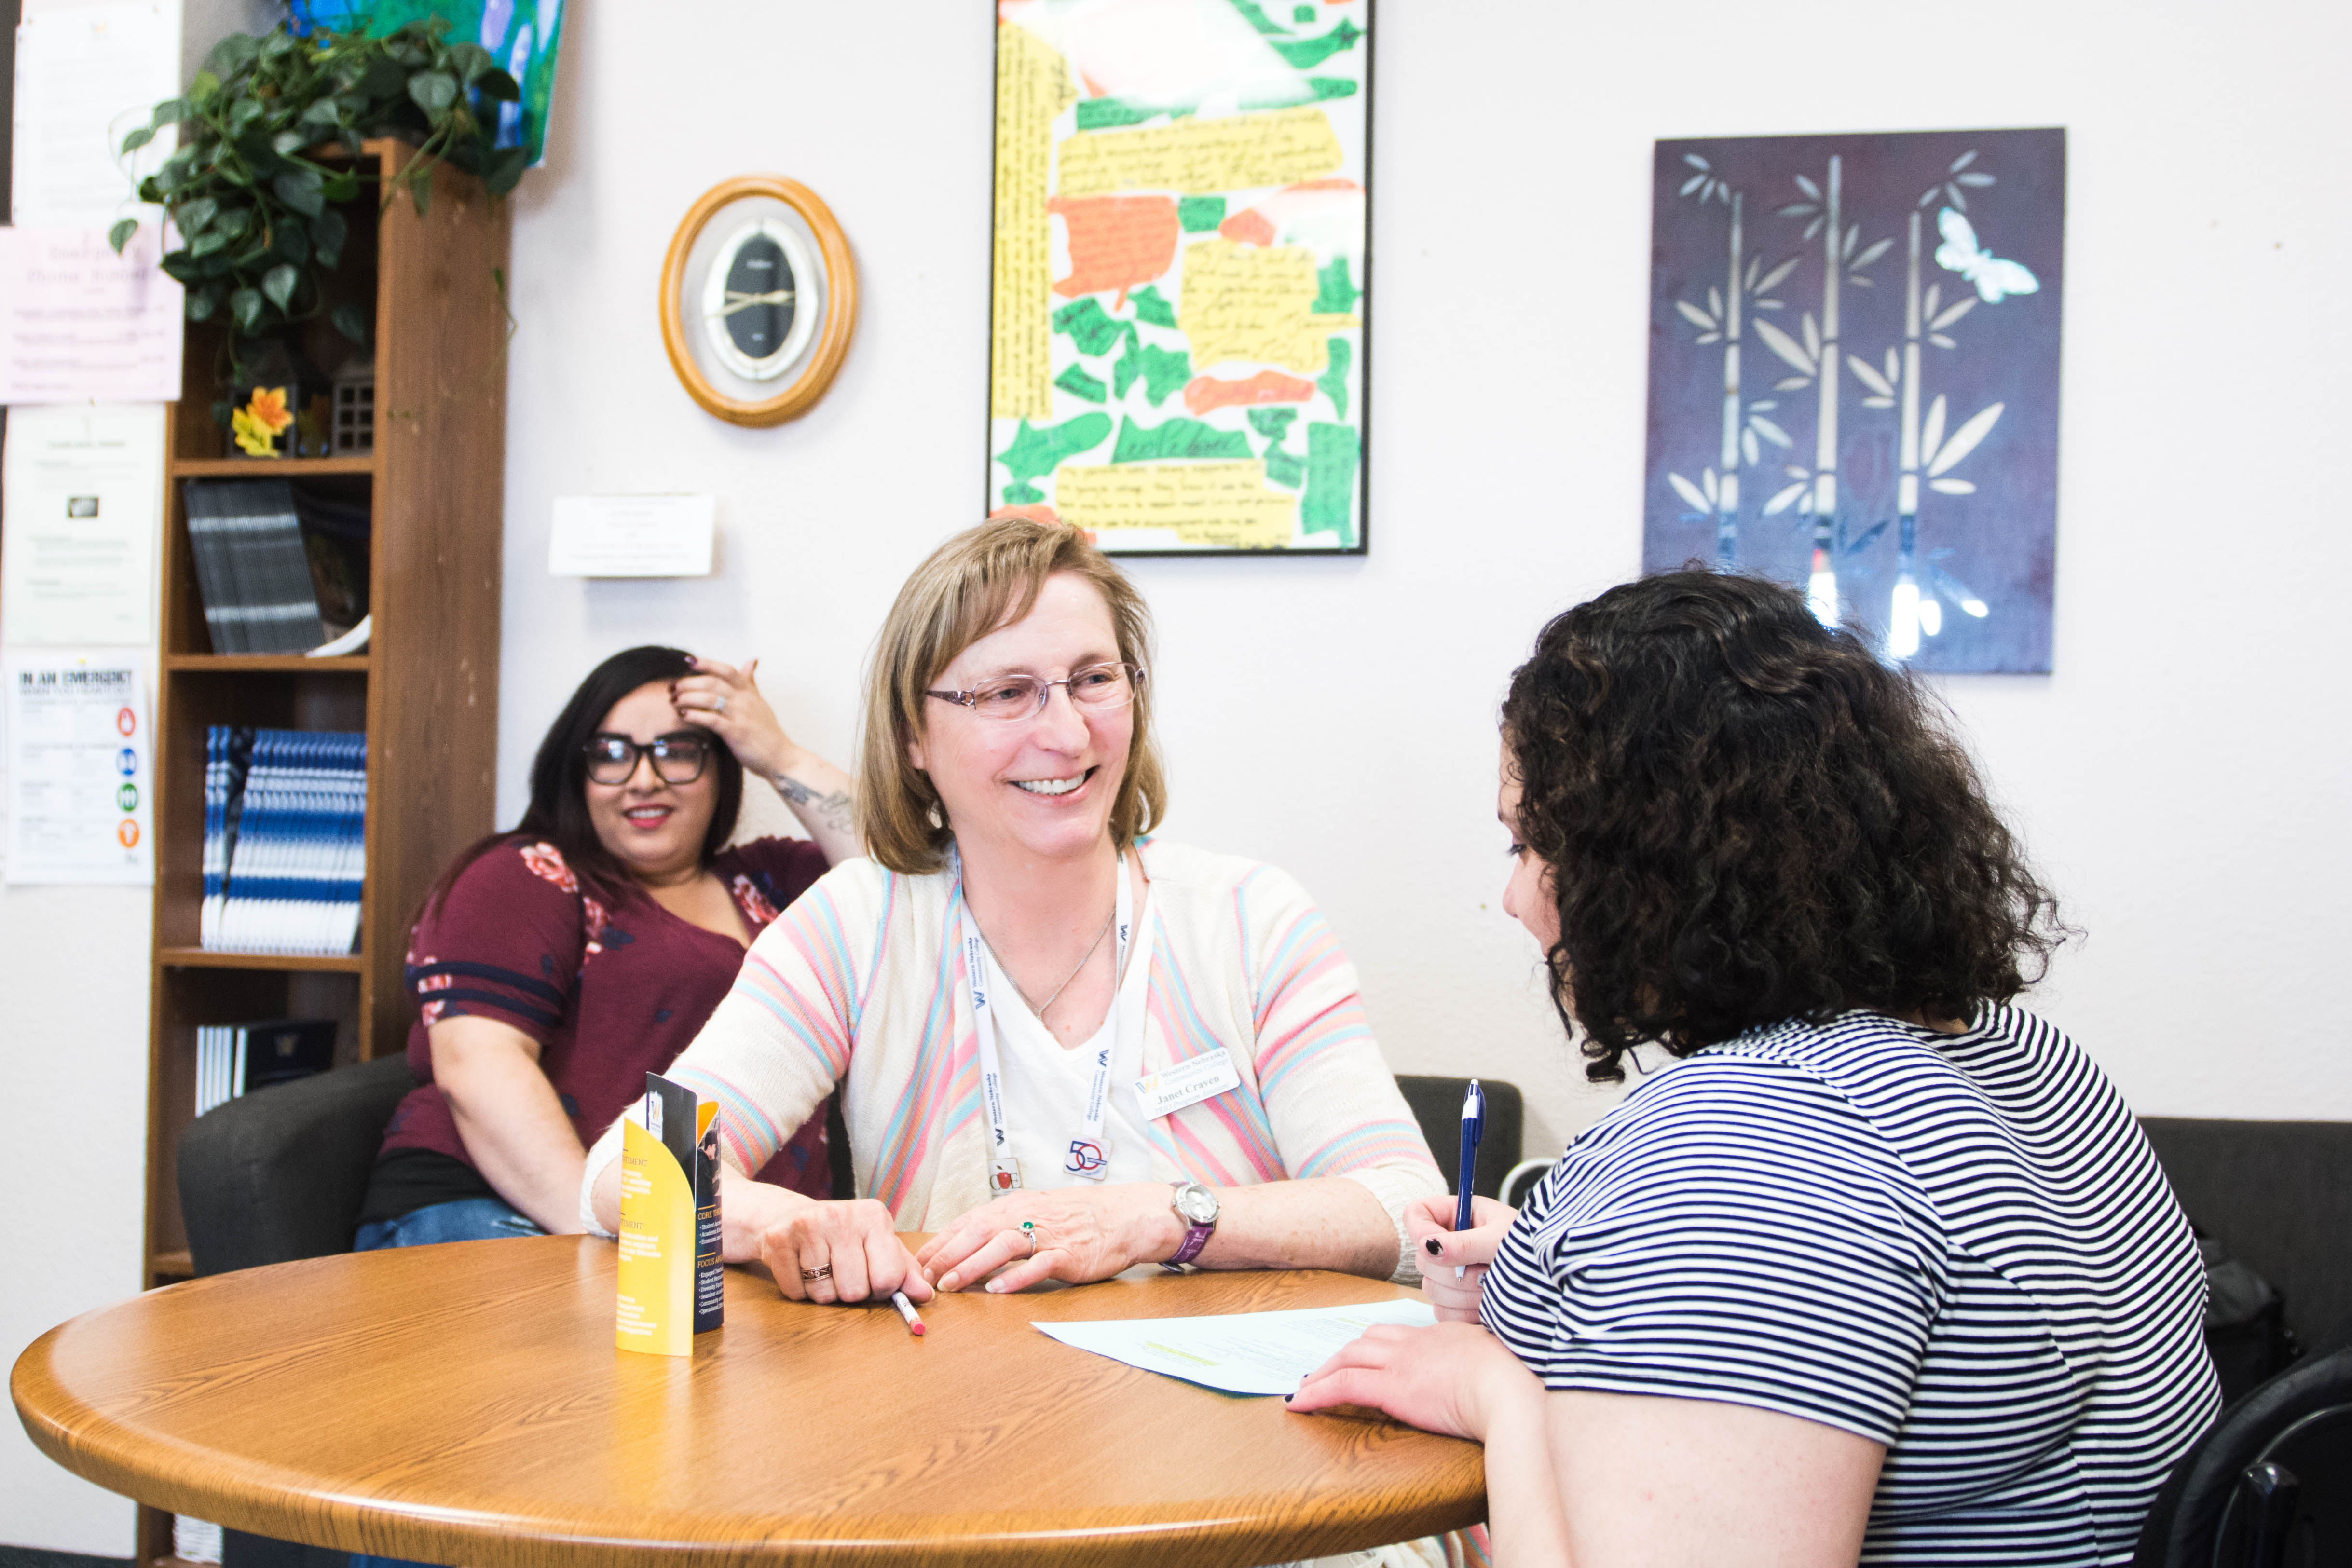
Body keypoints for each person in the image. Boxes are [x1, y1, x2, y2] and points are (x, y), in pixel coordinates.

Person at [1291, 572, 2219, 1567]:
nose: (1514, 896)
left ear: (1645, 865)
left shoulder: (1751, 1147)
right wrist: (1558, 1258)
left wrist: (1492, 1391)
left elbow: (1772, 1229)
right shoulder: (2018, 1052)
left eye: (1530, 844)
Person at [582, 513, 1445, 1307]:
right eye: (1006, 693)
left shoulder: (1251, 921)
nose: (1067, 734)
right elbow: (629, 1169)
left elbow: (1410, 1212)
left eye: (1094, 679)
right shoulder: (859, 924)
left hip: (1229, 1439)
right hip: (961, 1425)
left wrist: (1156, 1218)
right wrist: (780, 1221)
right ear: (914, 738)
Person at [353, 644, 862, 1249]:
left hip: (708, 1234)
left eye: (678, 752)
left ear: (722, 768)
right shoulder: (526, 874)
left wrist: (778, 754)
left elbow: (906, 873)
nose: (643, 780)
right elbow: (477, 1069)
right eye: (611, 754)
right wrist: (606, 1229)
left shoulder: (771, 881)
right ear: (576, 770)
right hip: (500, 1208)